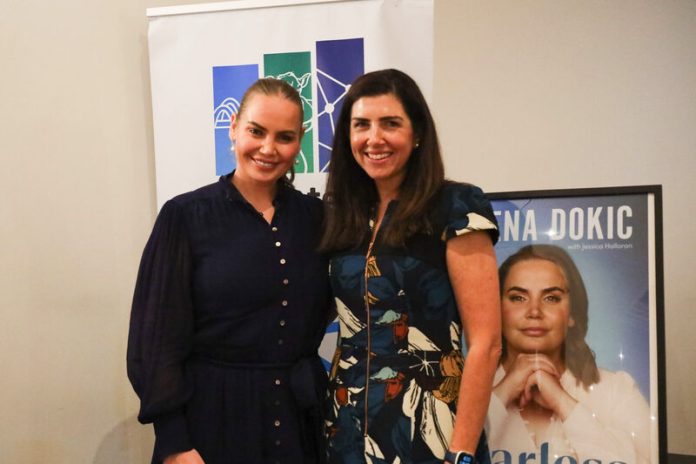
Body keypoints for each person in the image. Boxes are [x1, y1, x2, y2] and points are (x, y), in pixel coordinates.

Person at [127, 78, 331, 464]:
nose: (268, 148)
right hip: (211, 421)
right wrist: (174, 440)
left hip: (299, 421)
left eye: (284, 137)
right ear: (234, 127)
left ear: (300, 141)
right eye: (256, 131)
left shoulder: (318, 219)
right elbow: (154, 340)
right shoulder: (185, 216)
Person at [319, 69, 501, 464]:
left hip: (432, 431)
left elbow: (486, 344)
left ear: (417, 133)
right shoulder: (344, 216)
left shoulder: (456, 207)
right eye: (361, 125)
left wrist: (462, 452)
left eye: (390, 123)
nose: (374, 138)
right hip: (346, 430)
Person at [487, 244, 651, 464]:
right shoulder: (463, 388)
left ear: (572, 313)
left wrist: (563, 402)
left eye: (551, 298)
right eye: (518, 297)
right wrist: (503, 392)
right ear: (497, 310)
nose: (534, 312)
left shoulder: (617, 390)